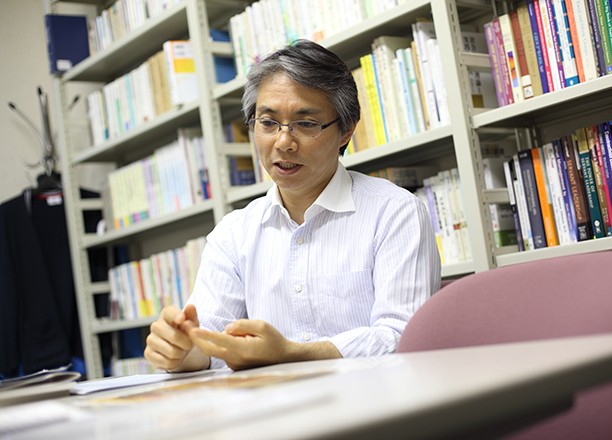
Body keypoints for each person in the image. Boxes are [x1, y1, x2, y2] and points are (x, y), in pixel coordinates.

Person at [144, 40, 442, 372]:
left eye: (306, 123)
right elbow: (210, 345)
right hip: (274, 404)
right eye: (268, 123)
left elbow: (401, 336)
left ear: (346, 130)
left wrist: (290, 353)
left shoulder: (395, 212)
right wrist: (181, 351)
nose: (284, 142)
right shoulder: (233, 234)